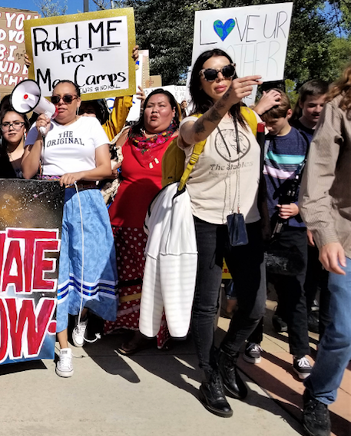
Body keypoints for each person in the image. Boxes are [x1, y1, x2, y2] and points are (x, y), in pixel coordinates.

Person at [178, 49, 264, 418]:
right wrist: (225, 101)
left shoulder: (250, 118)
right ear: (199, 83)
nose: (220, 78)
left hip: (247, 221)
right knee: (206, 304)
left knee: (255, 305)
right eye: (210, 74)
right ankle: (209, 375)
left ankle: (227, 358)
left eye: (226, 71)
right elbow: (197, 133)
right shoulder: (191, 121)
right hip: (205, 220)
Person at [21, 80, 117, 378]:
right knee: (57, 274)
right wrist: (39, 136)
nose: (60, 103)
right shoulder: (40, 127)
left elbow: (106, 168)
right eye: (55, 98)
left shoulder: (90, 125)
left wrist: (78, 173)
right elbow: (27, 171)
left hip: (86, 200)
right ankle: (63, 348)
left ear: (78, 101)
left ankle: (82, 316)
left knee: (91, 267)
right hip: (50, 202)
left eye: (67, 98)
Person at [103, 88, 181, 354]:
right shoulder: (127, 135)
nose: (154, 110)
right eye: (149, 105)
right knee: (123, 277)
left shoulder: (180, 139)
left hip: (158, 222)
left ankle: (145, 331)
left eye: (161, 105)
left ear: (173, 111)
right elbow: (109, 162)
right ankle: (122, 323)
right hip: (120, 218)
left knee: (151, 280)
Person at [242, 91, 312, 380]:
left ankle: (300, 352)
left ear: (289, 115)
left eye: (274, 121)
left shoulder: (305, 142)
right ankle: (253, 340)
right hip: (259, 224)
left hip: (292, 229)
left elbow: (318, 185)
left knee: (294, 291)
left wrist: (300, 207)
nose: (269, 127)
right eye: (265, 121)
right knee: (256, 289)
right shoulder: (259, 138)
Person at [298, 68, 351, 436]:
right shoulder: (340, 106)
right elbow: (317, 176)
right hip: (344, 237)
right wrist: (324, 231)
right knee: (344, 330)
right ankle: (319, 393)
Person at [291, 80, 330, 337]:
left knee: (329, 281)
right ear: (302, 105)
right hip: (299, 218)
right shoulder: (292, 133)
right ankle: (297, 325)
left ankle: (326, 335)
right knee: (304, 279)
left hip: (330, 217)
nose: (317, 110)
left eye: (323, 105)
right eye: (312, 105)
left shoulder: (335, 132)